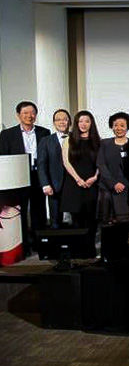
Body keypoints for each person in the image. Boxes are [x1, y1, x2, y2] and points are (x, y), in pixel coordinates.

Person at [0, 101, 51, 255]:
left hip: (38, 175)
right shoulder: (7, 134)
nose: (30, 116)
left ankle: (39, 244)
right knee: (19, 211)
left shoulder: (44, 132)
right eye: (25, 113)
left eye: (32, 113)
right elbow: (3, 157)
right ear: (18, 115)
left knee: (39, 211)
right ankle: (24, 246)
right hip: (17, 177)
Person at [96, 112, 129, 261]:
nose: (119, 128)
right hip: (108, 189)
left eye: (122, 125)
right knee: (107, 225)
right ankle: (106, 256)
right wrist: (113, 183)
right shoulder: (105, 143)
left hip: (127, 190)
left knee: (126, 224)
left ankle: (125, 255)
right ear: (112, 126)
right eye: (116, 125)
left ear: (128, 127)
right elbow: (101, 164)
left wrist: (123, 183)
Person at [61, 111, 100, 231]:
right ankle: (78, 244)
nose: (83, 124)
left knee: (92, 221)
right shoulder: (68, 139)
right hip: (74, 184)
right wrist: (78, 179)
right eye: (80, 121)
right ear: (76, 123)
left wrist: (95, 177)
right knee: (77, 222)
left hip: (92, 184)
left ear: (91, 123)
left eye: (87, 121)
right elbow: (66, 162)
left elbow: (101, 162)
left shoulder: (98, 141)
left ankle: (91, 244)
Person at [37, 109, 71, 229]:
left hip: (74, 185)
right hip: (54, 185)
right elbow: (41, 164)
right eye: (58, 120)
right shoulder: (46, 141)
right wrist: (45, 184)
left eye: (65, 119)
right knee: (55, 221)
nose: (62, 122)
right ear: (54, 123)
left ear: (70, 122)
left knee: (77, 221)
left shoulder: (76, 139)